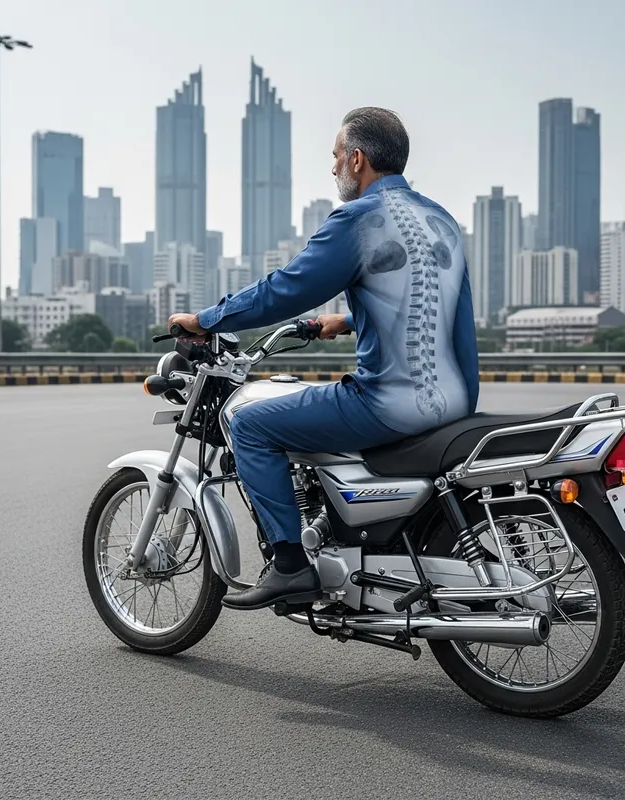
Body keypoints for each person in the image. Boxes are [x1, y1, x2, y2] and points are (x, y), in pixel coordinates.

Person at [168, 107, 479, 610]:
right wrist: (349, 320)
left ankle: (291, 565)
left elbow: (285, 290)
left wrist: (209, 319)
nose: (332, 166)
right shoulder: (440, 219)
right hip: (458, 400)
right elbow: (439, 306)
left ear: (357, 160)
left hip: (389, 403)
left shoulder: (358, 219)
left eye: (336, 155)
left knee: (248, 423)